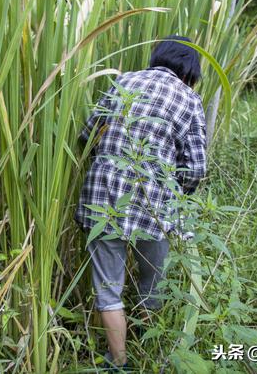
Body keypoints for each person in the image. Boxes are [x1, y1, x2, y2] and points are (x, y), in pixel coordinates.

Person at [74, 35, 207, 370]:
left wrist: (104, 163)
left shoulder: (124, 82)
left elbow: (86, 135)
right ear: (191, 68)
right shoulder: (189, 100)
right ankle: (147, 351)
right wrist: (176, 194)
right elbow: (196, 169)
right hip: (156, 207)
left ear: (157, 57)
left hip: (103, 201)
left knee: (108, 290)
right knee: (152, 285)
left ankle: (118, 362)